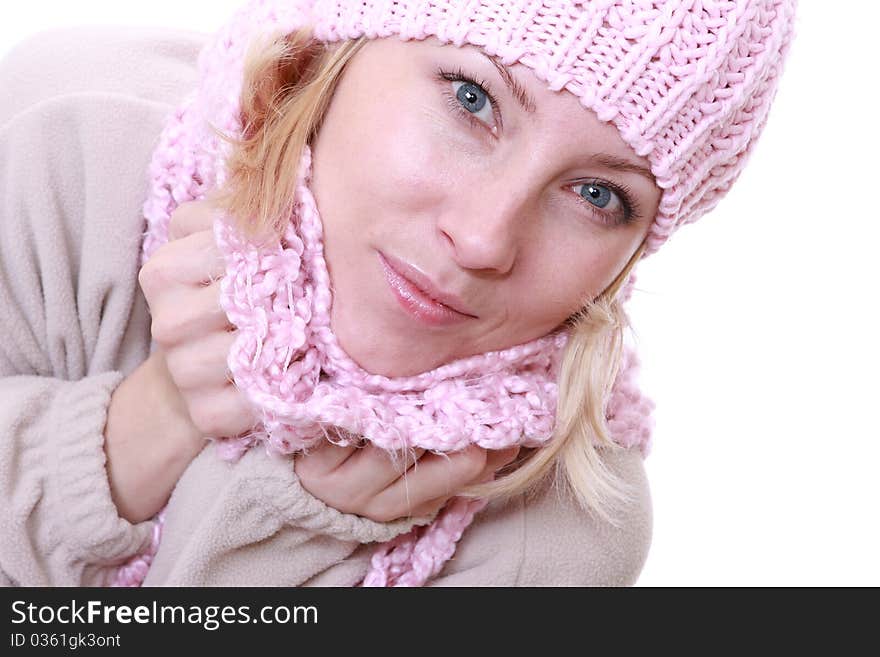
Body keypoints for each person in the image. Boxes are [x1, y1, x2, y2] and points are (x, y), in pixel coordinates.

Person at [0, 0, 796, 586]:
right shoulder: (65, 142)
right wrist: (141, 426)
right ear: (337, 43)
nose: (485, 238)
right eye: (471, 98)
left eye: (596, 195)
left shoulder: (558, 532)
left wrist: (286, 527)